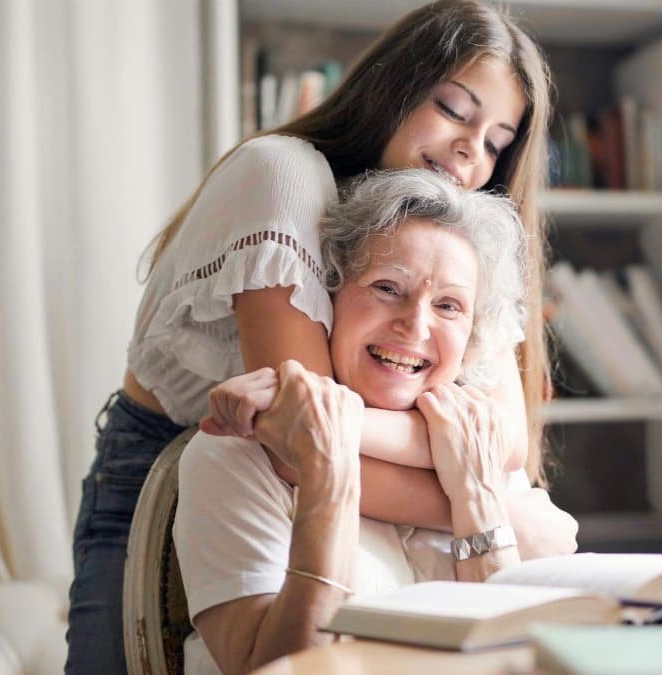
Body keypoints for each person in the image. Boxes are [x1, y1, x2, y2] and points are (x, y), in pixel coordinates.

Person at [65, 2, 573, 673]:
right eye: (454, 109)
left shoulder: (456, 230)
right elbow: (302, 445)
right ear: (392, 87)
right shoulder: (281, 175)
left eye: (496, 141)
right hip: (178, 466)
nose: (470, 152)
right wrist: (481, 492)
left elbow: (499, 438)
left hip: (324, 477)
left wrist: (300, 411)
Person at [176, 169, 537, 675]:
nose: (415, 325)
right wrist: (328, 472)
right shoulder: (237, 456)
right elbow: (275, 668)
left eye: (448, 306)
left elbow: (512, 664)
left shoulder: (481, 452)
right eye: (388, 288)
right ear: (330, 296)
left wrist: (478, 498)